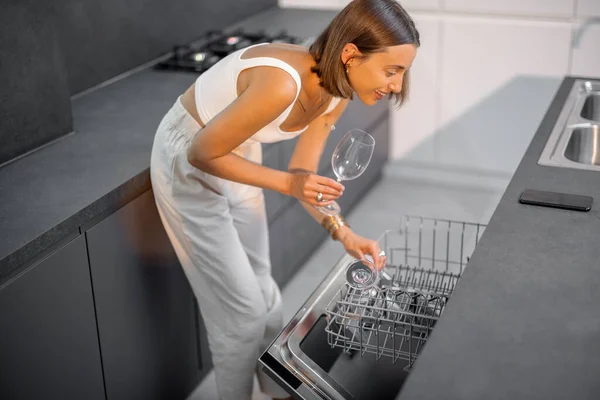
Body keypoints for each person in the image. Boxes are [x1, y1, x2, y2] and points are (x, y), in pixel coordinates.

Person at [150, 0, 419, 398]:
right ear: (350, 55)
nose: (396, 85)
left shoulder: (336, 91)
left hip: (238, 152)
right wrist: (291, 186)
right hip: (187, 161)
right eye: (392, 70)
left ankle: (272, 386)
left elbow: (301, 177)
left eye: (402, 72)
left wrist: (343, 233)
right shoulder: (282, 84)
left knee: (264, 292)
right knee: (241, 318)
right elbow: (201, 153)